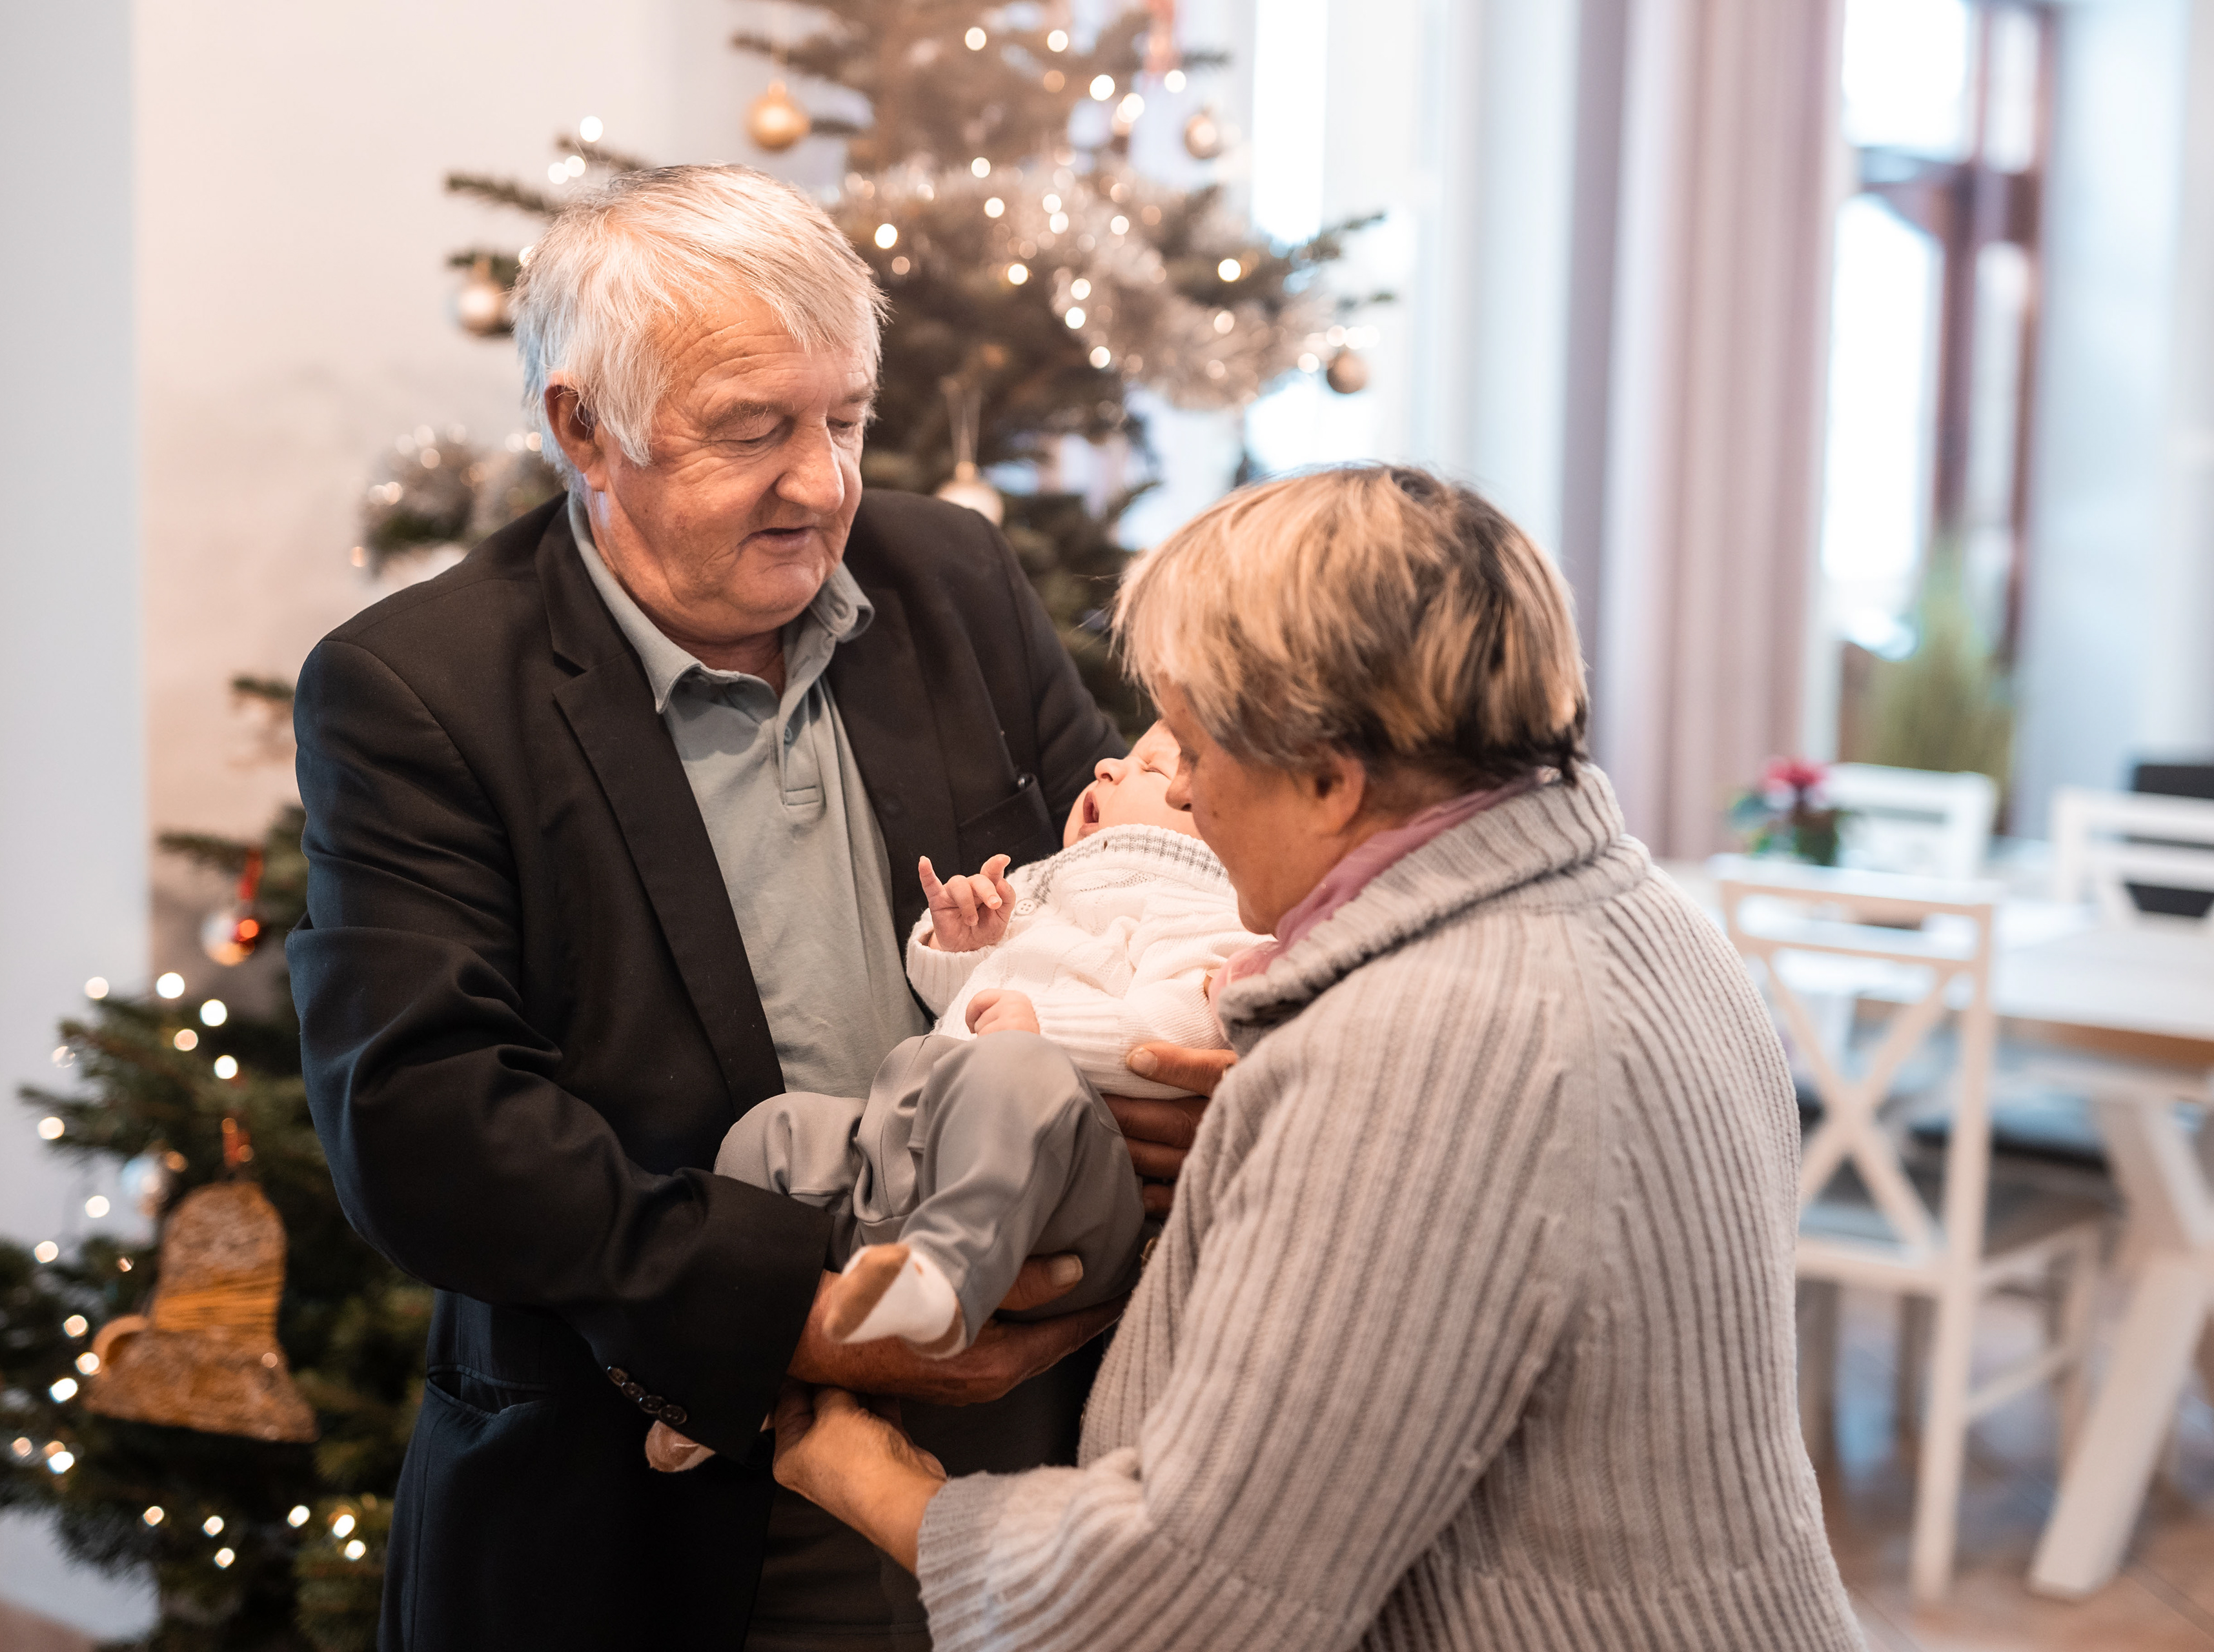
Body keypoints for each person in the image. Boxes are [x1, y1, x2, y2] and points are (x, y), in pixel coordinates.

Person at [287, 164, 1228, 1651]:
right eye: (752, 429)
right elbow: (426, 1127)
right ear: (583, 428)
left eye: (845, 418)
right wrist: (801, 1318)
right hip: (656, 1487)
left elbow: (1136, 875)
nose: (824, 483)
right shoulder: (420, 688)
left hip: (1030, 1457)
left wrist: (1187, 1090)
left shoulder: (954, 576)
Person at [769, 464, 1868, 1651]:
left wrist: (865, 1475)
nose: (1182, 798)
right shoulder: (1654, 923)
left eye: (1195, 757)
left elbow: (1188, 1602)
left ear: (1332, 780)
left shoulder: (1423, 1046)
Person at [653, 726, 1253, 1480]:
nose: (1109, 763)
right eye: (1124, 755)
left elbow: (1180, 1032)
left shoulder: (1209, 906)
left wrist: (1043, 1031)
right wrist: (962, 946)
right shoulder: (1050, 884)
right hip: (923, 1132)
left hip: (1063, 1181)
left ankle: (939, 1282)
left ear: (1218, 817)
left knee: (1017, 1072)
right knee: (771, 1132)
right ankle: (743, 1361)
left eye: (1153, 768)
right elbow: (964, 1002)